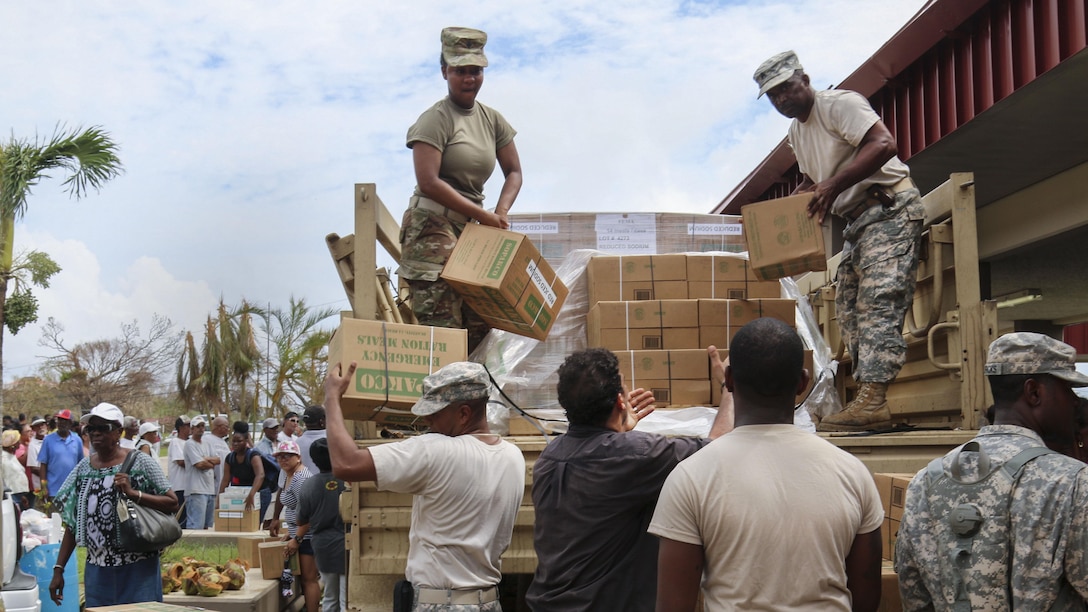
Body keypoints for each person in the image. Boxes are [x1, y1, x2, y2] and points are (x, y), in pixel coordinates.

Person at [649, 318, 883, 611]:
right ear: (802, 382)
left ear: (730, 380)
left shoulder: (690, 477)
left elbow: (673, 606)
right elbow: (867, 597)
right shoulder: (853, 474)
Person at [754, 51, 924, 432]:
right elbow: (813, 182)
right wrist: (779, 217)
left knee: (878, 302)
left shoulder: (839, 105)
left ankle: (874, 399)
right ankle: (868, 398)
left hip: (890, 207)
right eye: (773, 95)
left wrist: (833, 184)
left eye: (786, 88)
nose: (782, 99)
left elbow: (883, 144)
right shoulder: (796, 133)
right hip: (857, 223)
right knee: (846, 308)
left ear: (805, 79)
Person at [526, 347, 735, 611]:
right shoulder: (636, 456)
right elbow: (720, 446)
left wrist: (619, 427)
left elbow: (603, 459)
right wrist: (729, 384)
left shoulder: (550, 457)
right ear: (620, 402)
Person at [895, 332, 1088, 609]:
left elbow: (913, 593)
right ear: (1034, 392)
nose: (1074, 401)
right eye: (1066, 389)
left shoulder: (927, 481)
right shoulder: (1072, 481)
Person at [324, 360, 525, 610]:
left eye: (435, 412)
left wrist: (331, 397)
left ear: (463, 413)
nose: (427, 420)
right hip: (488, 602)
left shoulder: (436, 451)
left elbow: (346, 464)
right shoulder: (514, 456)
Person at [398, 26, 523, 353]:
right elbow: (430, 182)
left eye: (476, 71)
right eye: (460, 71)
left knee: (480, 330)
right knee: (445, 334)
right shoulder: (434, 120)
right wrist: (484, 215)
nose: (469, 78)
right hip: (432, 228)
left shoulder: (492, 120)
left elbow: (514, 171)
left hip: (471, 230)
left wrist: (500, 213)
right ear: (444, 72)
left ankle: (476, 404)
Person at [48, 402, 178, 607]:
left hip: (138, 570)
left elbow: (172, 502)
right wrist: (58, 569)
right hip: (98, 573)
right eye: (91, 429)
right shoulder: (83, 468)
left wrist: (133, 493)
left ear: (119, 432)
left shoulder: (140, 462)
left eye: (103, 428)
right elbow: (72, 523)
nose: (96, 433)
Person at [296, 437, 348, 612]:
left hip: (323, 546)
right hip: (348, 545)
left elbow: (300, 520)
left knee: (330, 597)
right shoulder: (349, 482)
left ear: (313, 459)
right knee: (346, 598)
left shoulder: (308, 485)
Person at [269, 440, 318, 612]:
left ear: (298, 457)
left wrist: (297, 538)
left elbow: (310, 514)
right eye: (279, 457)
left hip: (308, 536)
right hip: (300, 534)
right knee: (304, 579)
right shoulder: (288, 475)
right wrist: (292, 533)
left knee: (309, 579)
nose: (283, 459)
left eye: (288, 456)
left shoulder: (301, 479)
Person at [219, 426, 267, 520]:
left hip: (258, 493)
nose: (235, 444)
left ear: (246, 441)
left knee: (254, 522)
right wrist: (219, 499)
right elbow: (225, 479)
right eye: (233, 441)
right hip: (241, 493)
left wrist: (251, 494)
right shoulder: (230, 458)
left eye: (239, 441)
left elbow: (260, 475)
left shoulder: (253, 456)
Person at [37, 409, 84, 503]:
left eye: (64, 420)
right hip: (54, 491)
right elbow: (43, 465)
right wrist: (43, 487)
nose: (61, 423)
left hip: (72, 490)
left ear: (70, 423)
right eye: (59, 420)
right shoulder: (48, 440)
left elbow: (80, 464)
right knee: (55, 517)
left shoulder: (77, 440)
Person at [184, 416, 220, 530]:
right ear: (192, 429)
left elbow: (218, 460)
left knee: (208, 525)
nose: (201, 429)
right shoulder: (189, 444)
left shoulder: (207, 443)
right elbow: (199, 464)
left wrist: (205, 459)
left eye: (202, 426)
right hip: (196, 490)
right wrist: (210, 463)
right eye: (198, 426)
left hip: (210, 489)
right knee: (196, 525)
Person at [2, 429, 31, 510]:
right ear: (12, 444)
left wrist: (22, 497)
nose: (19, 443)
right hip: (11, 497)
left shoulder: (11, 456)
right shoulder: (3, 459)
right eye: (17, 441)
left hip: (18, 495)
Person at [167, 415, 190, 519]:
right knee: (181, 516)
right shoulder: (175, 442)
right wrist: (198, 463)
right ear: (180, 428)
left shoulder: (190, 442)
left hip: (190, 486)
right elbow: (181, 462)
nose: (190, 428)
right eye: (188, 426)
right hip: (180, 486)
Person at [296, 406, 328, 476]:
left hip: (303, 486)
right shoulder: (332, 441)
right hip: (329, 485)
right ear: (321, 421)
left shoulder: (296, 444)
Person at [207, 416, 232, 495]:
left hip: (224, 485)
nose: (228, 429)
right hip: (212, 486)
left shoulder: (224, 442)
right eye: (226, 427)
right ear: (218, 427)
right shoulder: (207, 440)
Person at [26, 417, 46, 497]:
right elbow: (33, 468)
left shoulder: (50, 440)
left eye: (42, 425)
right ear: (33, 428)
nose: (41, 427)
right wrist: (50, 473)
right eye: (38, 426)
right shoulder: (32, 445)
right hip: (39, 485)